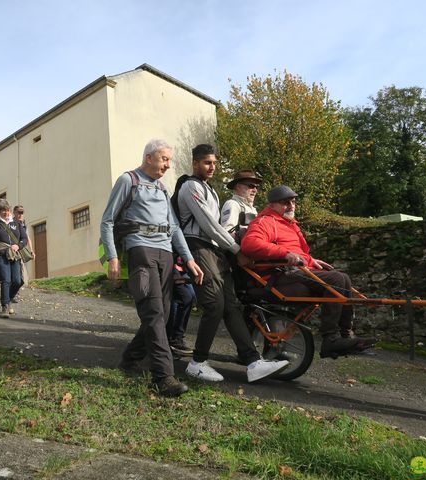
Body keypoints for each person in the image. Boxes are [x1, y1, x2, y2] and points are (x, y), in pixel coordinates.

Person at [100, 138, 204, 397]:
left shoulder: (161, 188)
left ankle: (130, 358)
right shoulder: (128, 181)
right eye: (164, 159)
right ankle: (163, 377)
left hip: (166, 253)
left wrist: (189, 259)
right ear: (149, 157)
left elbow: (175, 227)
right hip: (140, 251)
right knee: (154, 311)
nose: (168, 165)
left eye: (169, 160)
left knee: (162, 313)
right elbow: (107, 221)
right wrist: (112, 257)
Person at [177, 144, 288, 383]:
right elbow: (209, 224)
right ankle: (197, 363)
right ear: (195, 163)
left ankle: (252, 362)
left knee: (232, 305)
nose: (212, 167)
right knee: (214, 304)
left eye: (214, 163)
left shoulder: (212, 192)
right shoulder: (190, 186)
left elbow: (214, 228)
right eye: (207, 163)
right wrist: (237, 249)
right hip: (197, 245)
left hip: (214, 249)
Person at [241, 185, 375, 357]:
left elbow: (299, 253)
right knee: (336, 280)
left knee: (343, 278)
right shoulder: (265, 221)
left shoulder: (289, 225)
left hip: (294, 273)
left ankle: (345, 335)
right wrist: (285, 253)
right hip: (278, 277)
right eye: (285, 203)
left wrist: (311, 260)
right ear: (272, 205)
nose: (291, 206)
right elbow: (250, 244)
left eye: (293, 202)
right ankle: (330, 339)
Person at [0, 199, 28, 317]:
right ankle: (4, 306)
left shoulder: (17, 223)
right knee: (6, 280)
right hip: (0, 255)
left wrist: (18, 245)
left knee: (18, 281)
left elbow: (24, 239)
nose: (6, 212)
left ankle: (8, 299)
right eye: (3, 210)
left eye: (7, 210)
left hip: (14, 255)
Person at [166, 256, 195, 356]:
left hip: (184, 264)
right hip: (172, 262)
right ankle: (172, 338)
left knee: (188, 296)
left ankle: (175, 338)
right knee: (183, 297)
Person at [221, 169, 262, 236]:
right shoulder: (232, 204)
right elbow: (227, 234)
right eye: (251, 186)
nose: (255, 190)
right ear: (238, 187)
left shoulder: (253, 209)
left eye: (256, 187)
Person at [12, 205, 34, 302]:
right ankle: (12, 294)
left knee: (21, 276)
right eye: (19, 212)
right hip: (13, 251)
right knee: (17, 275)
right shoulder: (11, 223)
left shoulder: (23, 224)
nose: (21, 214)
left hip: (21, 251)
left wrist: (31, 250)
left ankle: (13, 293)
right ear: (14, 213)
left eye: (22, 212)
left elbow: (27, 238)